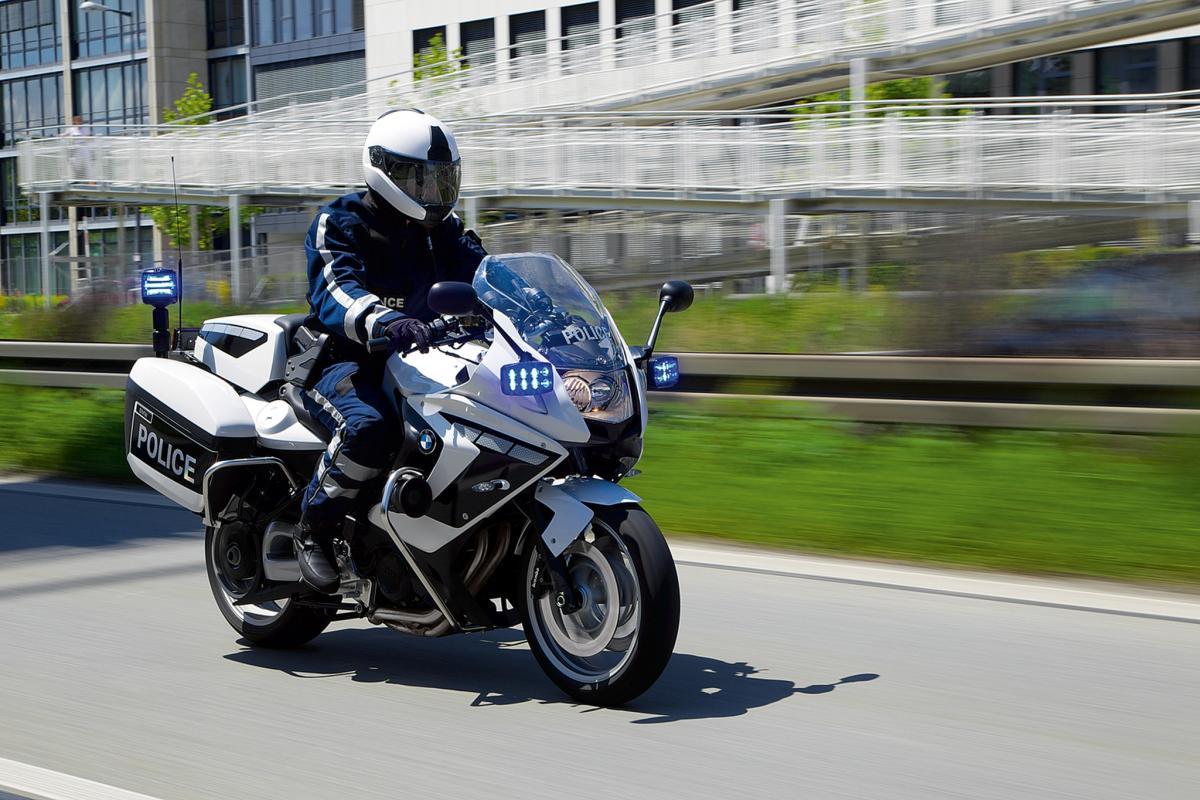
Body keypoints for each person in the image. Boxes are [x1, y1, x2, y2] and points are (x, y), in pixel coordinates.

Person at [294, 108, 487, 593]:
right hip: (343, 359)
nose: (432, 191)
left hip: (429, 357)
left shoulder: (444, 232)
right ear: (384, 170)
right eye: (419, 178)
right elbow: (336, 290)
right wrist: (388, 321)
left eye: (440, 178)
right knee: (371, 429)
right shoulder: (340, 222)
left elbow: (488, 277)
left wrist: (542, 313)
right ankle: (313, 529)